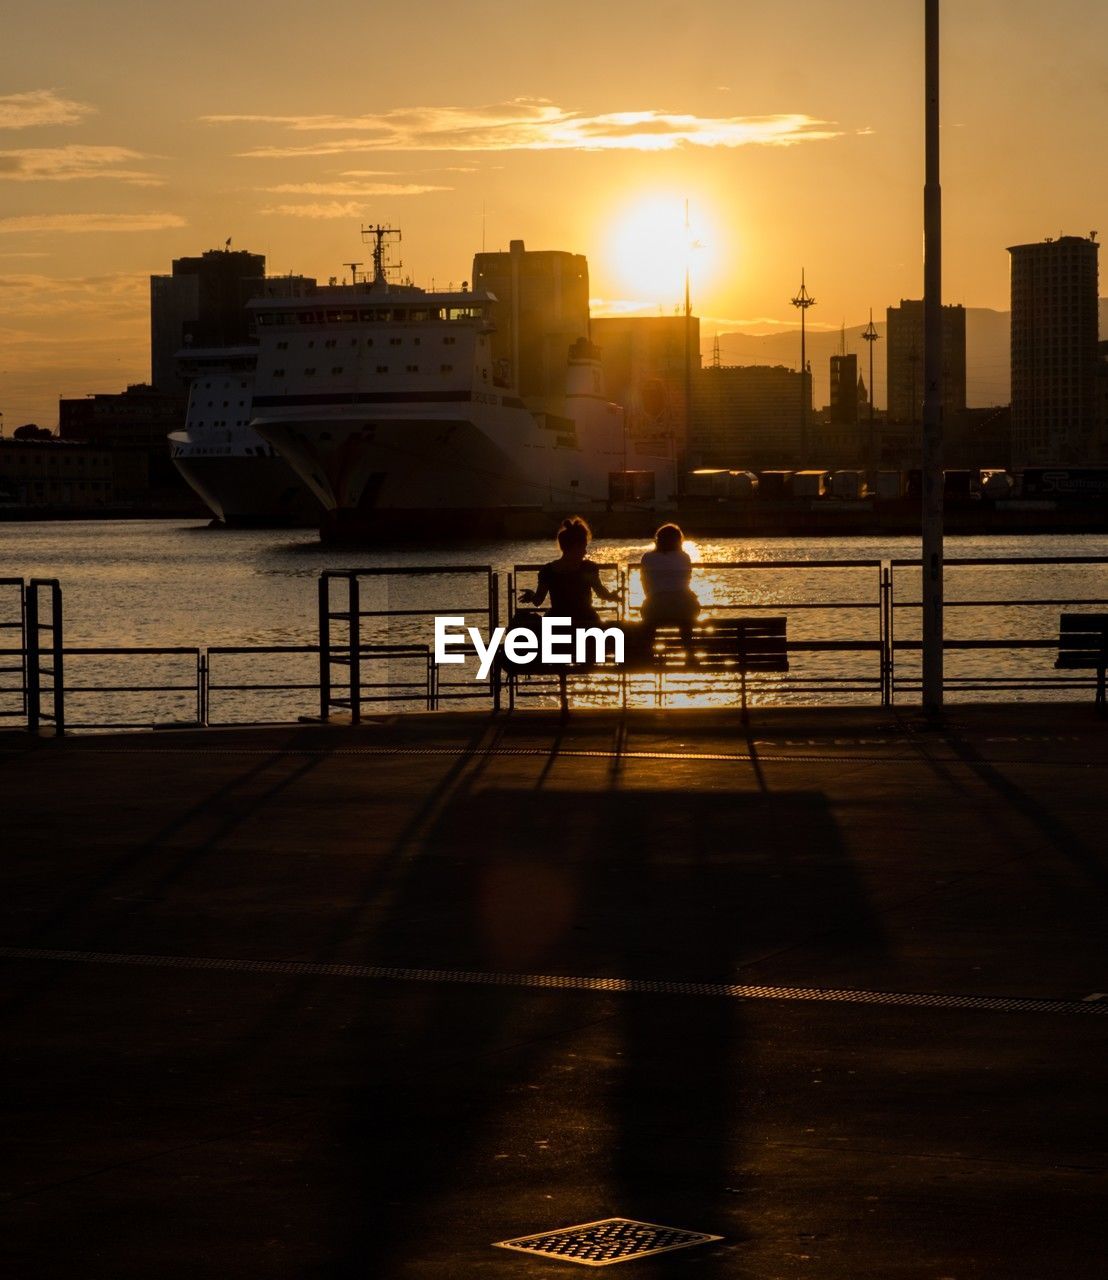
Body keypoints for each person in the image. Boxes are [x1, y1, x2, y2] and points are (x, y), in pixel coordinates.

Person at [520, 516, 620, 626]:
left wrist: (531, 595)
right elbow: (602, 595)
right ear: (576, 546)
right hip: (585, 620)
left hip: (559, 621)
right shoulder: (589, 568)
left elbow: (538, 601)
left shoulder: (547, 571)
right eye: (584, 547)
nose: (585, 552)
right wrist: (614, 596)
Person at [640, 523, 700, 660]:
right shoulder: (684, 557)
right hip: (683, 606)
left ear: (658, 540)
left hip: (655, 608)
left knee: (650, 618)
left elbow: (646, 586)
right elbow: (686, 582)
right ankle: (689, 653)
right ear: (679, 541)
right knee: (685, 617)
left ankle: (648, 654)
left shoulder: (647, 558)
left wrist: (655, 597)